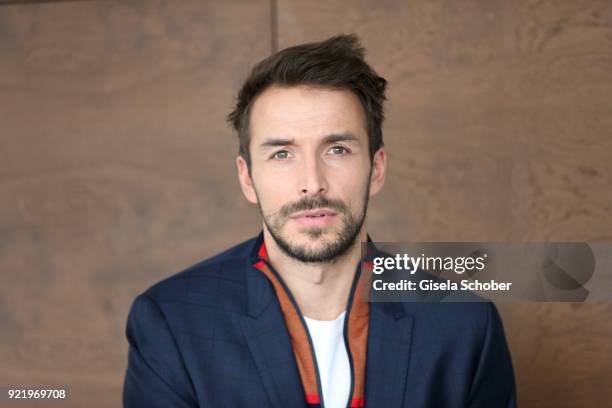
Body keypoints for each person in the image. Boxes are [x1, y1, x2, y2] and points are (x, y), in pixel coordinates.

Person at [123, 34, 517, 408]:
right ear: (247, 178)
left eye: (337, 149)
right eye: (282, 154)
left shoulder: (464, 323)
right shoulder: (171, 320)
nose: (312, 183)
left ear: (376, 169)